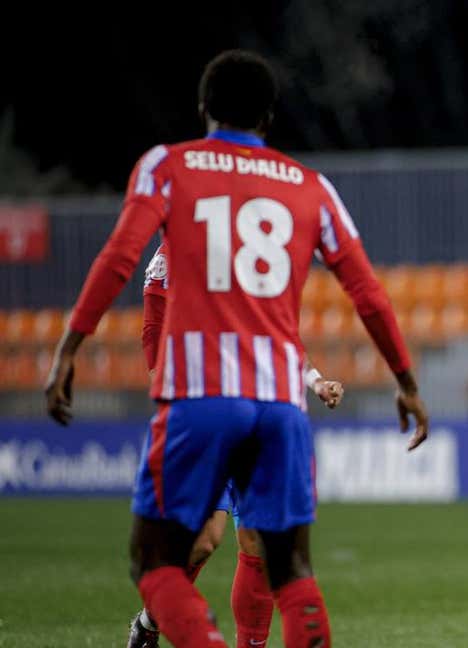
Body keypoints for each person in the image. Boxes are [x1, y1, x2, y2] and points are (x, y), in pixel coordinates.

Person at [44, 49, 428, 648]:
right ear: (269, 118)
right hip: (277, 409)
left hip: (204, 401)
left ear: (204, 110)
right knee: (290, 568)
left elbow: (119, 257)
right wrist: (405, 380)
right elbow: (369, 294)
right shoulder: (310, 186)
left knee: (156, 561)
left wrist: (71, 346)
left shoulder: (167, 170)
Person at [128, 241, 345, 648]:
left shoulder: (253, 246)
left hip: (260, 411)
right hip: (203, 412)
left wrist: (315, 381)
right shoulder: (174, 249)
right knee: (204, 540)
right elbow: (154, 326)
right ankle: (148, 623)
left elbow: (277, 332)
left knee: (257, 544)